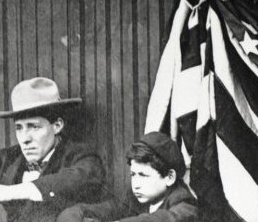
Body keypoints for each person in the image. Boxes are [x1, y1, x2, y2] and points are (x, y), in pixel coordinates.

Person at [0, 77, 106, 222]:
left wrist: (10, 192)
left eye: (34, 127)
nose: (25, 139)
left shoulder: (83, 157)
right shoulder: (9, 157)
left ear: (57, 126)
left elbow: (77, 179)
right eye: (19, 128)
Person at [56, 132, 197, 222]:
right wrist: (73, 215)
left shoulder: (185, 203)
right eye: (133, 174)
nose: (136, 184)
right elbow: (94, 210)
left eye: (143, 175)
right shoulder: (135, 196)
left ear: (169, 177)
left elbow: (163, 219)